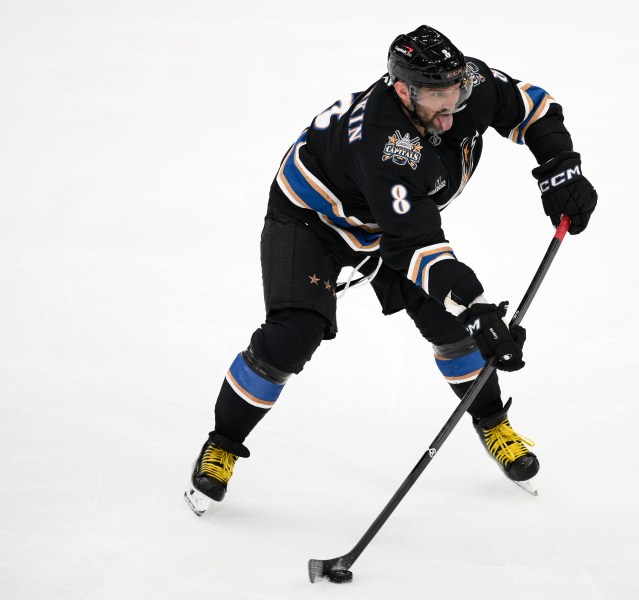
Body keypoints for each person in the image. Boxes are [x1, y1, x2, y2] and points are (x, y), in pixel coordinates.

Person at [184, 24, 597, 515]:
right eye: (436, 104)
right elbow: (416, 243)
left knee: (452, 327)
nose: (450, 115)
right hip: (311, 219)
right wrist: (479, 309)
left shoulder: (468, 86)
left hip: (389, 222)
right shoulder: (385, 144)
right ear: (403, 90)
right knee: (293, 335)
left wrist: (559, 166)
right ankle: (223, 444)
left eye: (457, 96)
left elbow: (533, 107)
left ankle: (492, 423)